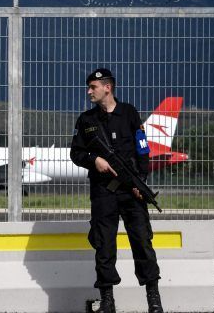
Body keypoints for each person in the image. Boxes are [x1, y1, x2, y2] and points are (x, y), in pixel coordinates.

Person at [70, 68, 164, 313]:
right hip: (104, 191)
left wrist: (140, 183)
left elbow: (142, 149)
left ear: (107, 87)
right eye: (89, 87)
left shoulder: (129, 113)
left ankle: (153, 298)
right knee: (104, 246)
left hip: (131, 190)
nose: (89, 91)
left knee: (142, 242)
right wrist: (95, 161)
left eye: (93, 87)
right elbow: (76, 153)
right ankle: (108, 300)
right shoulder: (86, 120)